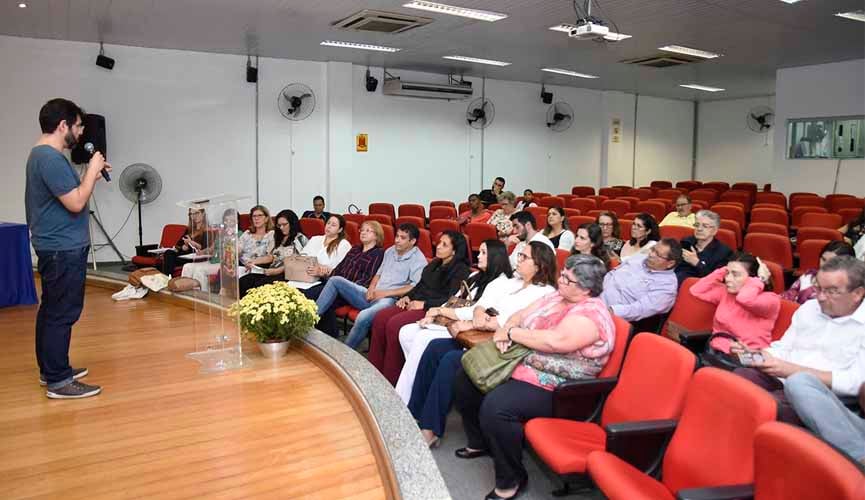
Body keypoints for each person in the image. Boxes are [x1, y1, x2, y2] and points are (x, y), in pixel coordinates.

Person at [453, 254, 615, 500]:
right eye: (562, 275)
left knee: (497, 407)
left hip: (560, 387)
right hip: (525, 361)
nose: (560, 280)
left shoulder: (591, 315)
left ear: (586, 289)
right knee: (466, 379)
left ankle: (512, 478)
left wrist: (512, 334)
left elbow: (555, 342)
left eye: (568, 279)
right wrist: (507, 328)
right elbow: (519, 315)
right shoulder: (558, 296)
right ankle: (481, 442)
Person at [405, 241, 557, 446]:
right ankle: (414, 413)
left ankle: (430, 428)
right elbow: (483, 305)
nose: (518, 260)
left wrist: (475, 323)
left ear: (539, 265)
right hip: (482, 335)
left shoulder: (544, 293)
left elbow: (509, 321)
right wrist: (478, 315)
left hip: (508, 347)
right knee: (435, 348)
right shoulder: (513, 282)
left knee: (451, 360)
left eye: (524, 257)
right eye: (519, 255)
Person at [25, 98, 111, 399]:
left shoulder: (42, 155)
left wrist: (91, 177)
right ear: (63, 125)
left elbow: (72, 194)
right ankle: (59, 381)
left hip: (56, 246)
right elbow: (75, 202)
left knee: (52, 309)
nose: (81, 132)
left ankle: (51, 370)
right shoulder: (50, 158)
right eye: (77, 126)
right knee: (62, 313)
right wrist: (92, 169)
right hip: (62, 248)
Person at [731, 256, 865, 430]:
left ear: (857, 294)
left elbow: (855, 383)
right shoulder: (809, 308)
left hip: (825, 398)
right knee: (737, 380)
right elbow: (783, 348)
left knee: (763, 405)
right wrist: (755, 355)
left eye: (831, 291)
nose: (821, 297)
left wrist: (792, 370)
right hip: (782, 378)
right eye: (818, 288)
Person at [395, 239, 512, 403]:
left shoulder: (500, 282)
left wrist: (439, 311)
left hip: (467, 326)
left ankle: (404, 396)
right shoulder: (475, 276)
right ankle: (419, 379)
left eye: (484, 253)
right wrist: (433, 313)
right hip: (452, 318)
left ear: (495, 257)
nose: (478, 255)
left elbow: (473, 312)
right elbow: (454, 300)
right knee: (406, 332)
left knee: (422, 338)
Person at [367, 231, 471, 385]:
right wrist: (407, 296)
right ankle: (373, 370)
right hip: (416, 303)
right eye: (439, 242)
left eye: (444, 245)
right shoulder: (435, 263)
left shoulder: (461, 270)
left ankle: (391, 378)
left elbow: (450, 299)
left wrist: (424, 304)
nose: (438, 246)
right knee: (380, 318)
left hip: (431, 310)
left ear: (454, 251)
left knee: (394, 325)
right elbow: (419, 286)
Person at [315, 223, 428, 348]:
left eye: (402, 238)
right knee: (335, 280)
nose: (397, 240)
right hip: (372, 293)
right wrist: (371, 288)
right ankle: (310, 321)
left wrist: (384, 293)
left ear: (412, 241)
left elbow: (414, 287)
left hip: (389, 299)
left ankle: (344, 351)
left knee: (363, 316)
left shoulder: (418, 260)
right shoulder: (390, 251)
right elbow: (378, 274)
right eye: (397, 236)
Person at [691, 252, 780, 363]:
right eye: (727, 273)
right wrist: (723, 270)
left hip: (749, 359)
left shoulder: (770, 300)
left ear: (752, 278)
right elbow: (696, 290)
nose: (728, 278)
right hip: (717, 353)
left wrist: (760, 279)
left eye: (735, 274)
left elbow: (745, 299)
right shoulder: (727, 293)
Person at [309, 221, 386, 334]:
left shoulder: (379, 253)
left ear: (376, 235)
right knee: (311, 293)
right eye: (362, 230)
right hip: (337, 285)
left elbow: (369, 278)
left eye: (368, 231)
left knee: (328, 291)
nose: (363, 233)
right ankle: (327, 333)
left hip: (355, 290)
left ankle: (310, 322)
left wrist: (344, 285)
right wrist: (328, 280)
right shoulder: (355, 248)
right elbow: (340, 268)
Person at [600, 238, 682, 323]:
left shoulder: (667, 287)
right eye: (653, 249)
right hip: (596, 297)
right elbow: (612, 273)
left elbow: (639, 309)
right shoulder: (639, 258)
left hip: (610, 316)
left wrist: (609, 311)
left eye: (658, 254)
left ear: (670, 263)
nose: (651, 254)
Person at [237, 209, 309, 297]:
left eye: (284, 224)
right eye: (279, 225)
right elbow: (270, 256)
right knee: (244, 281)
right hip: (271, 269)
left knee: (260, 286)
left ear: (292, 223)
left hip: (287, 273)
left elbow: (299, 262)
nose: (281, 228)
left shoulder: (300, 238)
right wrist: (254, 261)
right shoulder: (277, 237)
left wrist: (276, 271)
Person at [181, 208, 240, 293]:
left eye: (231, 220)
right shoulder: (221, 233)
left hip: (224, 263)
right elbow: (212, 248)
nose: (228, 223)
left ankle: (202, 296)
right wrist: (202, 252)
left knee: (199, 270)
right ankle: (186, 294)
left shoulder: (240, 234)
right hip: (213, 261)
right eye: (226, 220)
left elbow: (235, 253)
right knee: (187, 267)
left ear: (237, 221)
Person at [782, 241, 855, 304]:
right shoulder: (808, 276)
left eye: (832, 262)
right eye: (823, 259)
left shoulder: (848, 291)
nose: (825, 265)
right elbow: (786, 298)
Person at [675, 209, 733, 284]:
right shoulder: (686, 242)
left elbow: (717, 280)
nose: (699, 229)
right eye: (697, 225)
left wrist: (697, 263)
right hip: (675, 283)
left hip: (701, 287)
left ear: (715, 231)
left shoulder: (724, 252)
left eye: (705, 226)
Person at [300, 214, 352, 280]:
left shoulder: (344, 245)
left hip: (326, 280)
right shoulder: (315, 239)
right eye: (328, 223)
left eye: (333, 225)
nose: (329, 226)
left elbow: (341, 270)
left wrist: (324, 271)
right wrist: (318, 265)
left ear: (340, 230)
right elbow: (301, 257)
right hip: (305, 275)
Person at [159, 208, 208, 275]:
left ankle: (167, 278)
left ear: (203, 214)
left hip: (195, 256)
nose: (194, 216)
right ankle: (167, 278)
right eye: (191, 214)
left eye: (196, 213)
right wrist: (184, 247)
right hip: (185, 255)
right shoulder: (189, 229)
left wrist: (192, 243)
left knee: (170, 258)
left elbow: (206, 247)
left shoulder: (207, 230)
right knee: (168, 252)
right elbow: (178, 245)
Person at [238, 205, 275, 279]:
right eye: (254, 216)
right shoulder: (247, 233)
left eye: (260, 215)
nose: (256, 218)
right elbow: (238, 250)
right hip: (242, 266)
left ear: (266, 219)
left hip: (259, 267)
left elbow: (270, 257)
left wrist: (253, 262)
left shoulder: (272, 234)